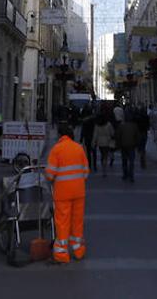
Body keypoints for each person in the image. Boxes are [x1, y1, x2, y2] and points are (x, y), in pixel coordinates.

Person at [44, 123, 91, 263]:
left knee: (63, 222)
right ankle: (78, 250)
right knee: (77, 222)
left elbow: (50, 174)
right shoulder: (79, 148)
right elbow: (85, 172)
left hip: (62, 193)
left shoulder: (57, 150)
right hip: (79, 192)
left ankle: (61, 254)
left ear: (60, 135)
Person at [115, 108, 141, 183]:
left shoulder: (121, 126)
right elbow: (137, 136)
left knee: (124, 160)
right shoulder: (134, 125)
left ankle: (125, 174)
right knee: (131, 161)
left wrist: (118, 145)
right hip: (132, 145)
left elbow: (118, 136)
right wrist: (137, 144)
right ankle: (131, 175)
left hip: (123, 145)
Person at [95, 109, 115, 175]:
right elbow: (112, 132)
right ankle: (104, 167)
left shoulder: (97, 125)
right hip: (107, 141)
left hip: (100, 142)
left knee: (102, 154)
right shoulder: (108, 124)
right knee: (105, 155)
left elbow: (95, 134)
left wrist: (94, 142)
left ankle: (103, 166)